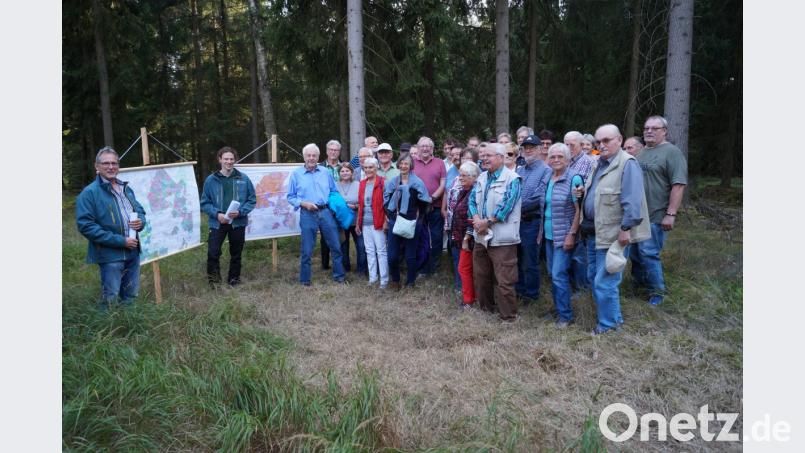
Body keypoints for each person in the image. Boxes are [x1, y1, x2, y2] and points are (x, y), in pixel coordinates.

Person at [575, 124, 650, 335]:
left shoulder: (628, 164)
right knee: (594, 277)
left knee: (605, 281)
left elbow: (633, 200)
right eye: (598, 142)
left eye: (606, 140)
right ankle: (614, 320)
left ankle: (607, 326)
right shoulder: (599, 163)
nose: (602, 145)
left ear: (619, 139)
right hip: (593, 233)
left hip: (613, 235)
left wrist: (626, 229)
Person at [76, 147, 146, 309]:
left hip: (133, 252)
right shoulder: (89, 193)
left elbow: (140, 210)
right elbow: (86, 226)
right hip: (110, 256)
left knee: (131, 295)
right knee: (110, 298)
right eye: (106, 163)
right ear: (97, 166)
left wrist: (140, 222)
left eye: (114, 163)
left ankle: (130, 329)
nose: (111, 167)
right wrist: (121, 241)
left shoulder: (125, 188)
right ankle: (107, 331)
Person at [632, 115, 687, 305]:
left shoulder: (672, 152)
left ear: (664, 131)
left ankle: (657, 293)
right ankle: (639, 287)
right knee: (635, 255)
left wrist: (670, 214)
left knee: (648, 253)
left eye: (654, 128)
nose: (649, 131)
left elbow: (678, 185)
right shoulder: (641, 153)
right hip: (635, 215)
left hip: (656, 214)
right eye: (646, 128)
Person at [470, 143, 523, 322]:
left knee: (504, 280)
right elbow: (471, 201)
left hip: (503, 238)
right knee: (481, 275)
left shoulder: (513, 179)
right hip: (481, 236)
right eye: (483, 156)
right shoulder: (481, 178)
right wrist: (476, 218)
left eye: (489, 156)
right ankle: (485, 309)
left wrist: (488, 222)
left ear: (501, 157)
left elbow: (507, 206)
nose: (484, 159)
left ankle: (509, 316)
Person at [287, 143, 346, 285]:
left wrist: (335, 205)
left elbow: (333, 191)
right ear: (304, 156)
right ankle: (305, 280)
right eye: (309, 155)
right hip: (307, 213)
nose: (311, 158)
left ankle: (339, 276)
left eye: (314, 155)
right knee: (307, 249)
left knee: (336, 246)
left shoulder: (325, 172)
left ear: (319, 157)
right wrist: (304, 203)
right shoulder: (296, 174)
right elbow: (291, 197)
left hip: (325, 212)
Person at [539, 143, 584, 327]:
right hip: (549, 236)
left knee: (558, 274)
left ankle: (566, 316)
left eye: (560, 156)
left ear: (568, 159)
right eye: (553, 157)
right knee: (552, 274)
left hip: (564, 235)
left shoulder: (574, 179)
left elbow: (578, 211)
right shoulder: (549, 177)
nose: (556, 160)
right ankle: (558, 309)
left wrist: (571, 234)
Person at [200, 146, 257, 286]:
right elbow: (204, 203)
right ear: (220, 160)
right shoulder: (211, 180)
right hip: (217, 222)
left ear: (235, 160)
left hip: (238, 222)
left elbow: (252, 199)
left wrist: (240, 212)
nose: (229, 162)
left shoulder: (243, 178)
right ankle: (214, 283)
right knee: (213, 253)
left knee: (236, 254)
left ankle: (234, 280)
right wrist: (216, 214)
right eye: (226, 159)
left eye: (231, 159)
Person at [384, 154, 432, 289]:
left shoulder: (417, 183)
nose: (404, 166)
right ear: (398, 165)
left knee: (410, 254)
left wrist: (418, 219)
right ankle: (395, 280)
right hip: (395, 221)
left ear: (411, 166)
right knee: (392, 255)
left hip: (413, 222)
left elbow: (425, 203)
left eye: (407, 163)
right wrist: (390, 215)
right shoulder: (393, 182)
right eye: (402, 163)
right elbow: (386, 200)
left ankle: (410, 282)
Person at [515, 134, 550, 304]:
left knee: (530, 260)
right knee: (517, 258)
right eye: (525, 148)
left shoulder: (546, 170)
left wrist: (514, 206)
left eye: (532, 148)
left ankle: (532, 294)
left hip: (532, 222)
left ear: (539, 149)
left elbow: (538, 197)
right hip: (516, 222)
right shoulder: (519, 170)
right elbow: (513, 193)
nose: (528, 150)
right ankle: (519, 290)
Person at [564, 131, 596, 291]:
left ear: (581, 145)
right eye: (566, 144)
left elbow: (589, 189)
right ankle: (571, 286)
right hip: (565, 215)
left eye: (572, 145)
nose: (569, 148)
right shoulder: (565, 162)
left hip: (581, 215)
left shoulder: (588, 162)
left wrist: (582, 191)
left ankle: (582, 289)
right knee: (568, 253)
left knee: (579, 255)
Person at [412, 136, 447, 277]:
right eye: (422, 146)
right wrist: (421, 201)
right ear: (418, 148)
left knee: (436, 237)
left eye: (428, 146)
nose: (425, 148)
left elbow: (443, 184)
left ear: (432, 148)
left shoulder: (439, 163)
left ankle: (434, 268)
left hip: (435, 206)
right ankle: (422, 267)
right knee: (420, 238)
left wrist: (432, 198)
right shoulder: (412, 163)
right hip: (418, 208)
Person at [449, 161, 480, 309]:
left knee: (464, 268)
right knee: (466, 268)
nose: (460, 178)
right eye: (460, 175)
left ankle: (469, 300)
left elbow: (472, 217)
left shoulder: (475, 192)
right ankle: (471, 297)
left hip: (470, 239)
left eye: (464, 175)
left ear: (474, 177)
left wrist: (467, 238)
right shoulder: (464, 191)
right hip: (461, 237)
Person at [356, 157, 389, 289]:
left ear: (376, 168)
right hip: (365, 222)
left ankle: (384, 280)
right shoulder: (362, 183)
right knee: (369, 251)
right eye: (366, 167)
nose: (368, 170)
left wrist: (386, 220)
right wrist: (358, 223)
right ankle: (373, 278)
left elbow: (387, 204)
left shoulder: (383, 182)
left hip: (378, 222)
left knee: (381, 251)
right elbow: (360, 205)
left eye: (371, 167)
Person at [335, 162, 367, 274]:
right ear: (339, 173)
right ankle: (345, 268)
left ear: (352, 172)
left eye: (347, 171)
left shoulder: (359, 184)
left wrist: (355, 206)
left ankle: (361, 270)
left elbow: (364, 202)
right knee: (343, 245)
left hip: (356, 220)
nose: (345, 173)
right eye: (342, 171)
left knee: (361, 246)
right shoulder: (335, 185)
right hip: (341, 221)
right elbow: (333, 202)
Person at [319, 140, 343, 270]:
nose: (333, 152)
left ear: (339, 152)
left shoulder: (345, 165)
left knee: (342, 234)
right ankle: (325, 263)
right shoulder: (320, 167)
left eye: (336, 150)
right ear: (327, 151)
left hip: (341, 205)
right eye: (331, 150)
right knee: (325, 236)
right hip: (326, 205)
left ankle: (342, 263)